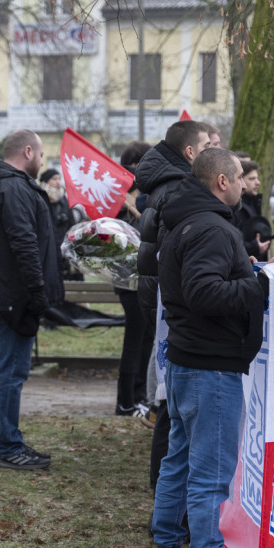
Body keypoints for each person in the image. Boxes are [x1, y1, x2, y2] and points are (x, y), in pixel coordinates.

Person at [147, 147, 268, 548]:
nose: (243, 184)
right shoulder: (214, 228)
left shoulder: (185, 221)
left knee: (178, 460)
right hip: (209, 366)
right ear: (221, 181)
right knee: (210, 472)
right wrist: (256, 284)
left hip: (186, 360)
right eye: (239, 177)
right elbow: (204, 291)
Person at [0, 129, 63, 470]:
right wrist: (37, 290)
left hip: (9, 293)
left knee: (7, 369)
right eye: (42, 156)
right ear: (28, 152)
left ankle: (8, 440)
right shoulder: (12, 188)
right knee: (11, 371)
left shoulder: (9, 186)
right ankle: (7, 446)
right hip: (13, 295)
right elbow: (23, 243)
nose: (43, 162)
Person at [134, 120, 212, 487]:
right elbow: (178, 252)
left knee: (172, 402)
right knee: (170, 406)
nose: (215, 150)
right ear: (191, 153)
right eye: (209, 144)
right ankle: (164, 489)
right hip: (173, 302)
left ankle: (165, 488)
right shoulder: (178, 186)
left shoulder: (169, 180)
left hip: (164, 297)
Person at [113, 142, 154, 420]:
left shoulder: (135, 190)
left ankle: (137, 395)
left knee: (144, 337)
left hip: (137, 276)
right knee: (136, 338)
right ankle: (126, 401)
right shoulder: (122, 191)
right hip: (129, 277)